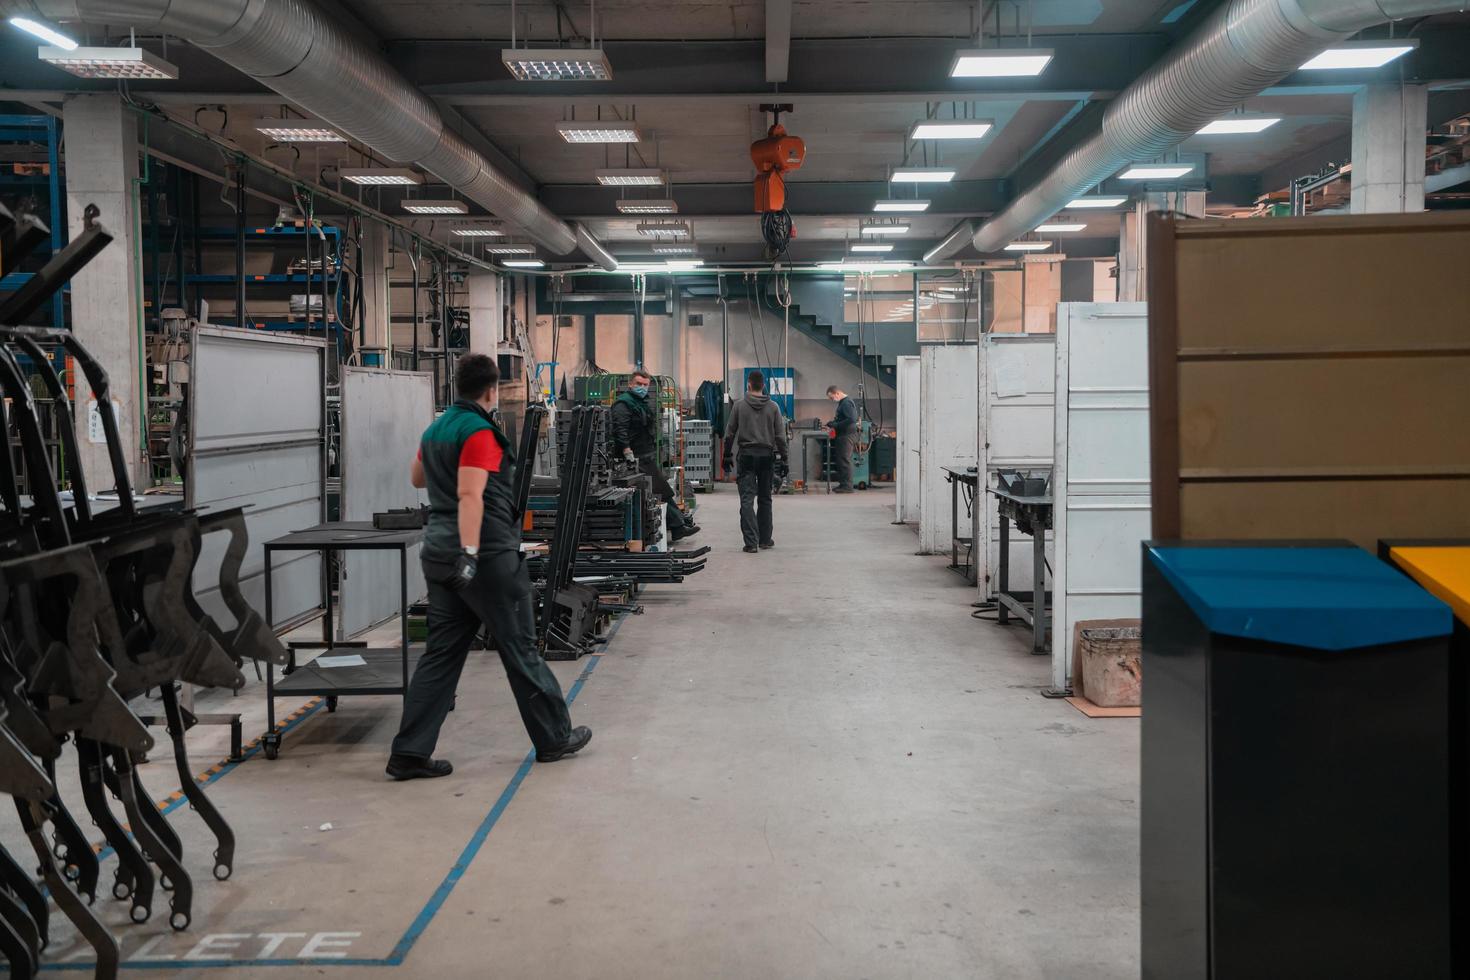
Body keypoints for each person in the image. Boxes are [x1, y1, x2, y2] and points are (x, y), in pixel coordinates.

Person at [387, 353, 591, 781]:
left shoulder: (436, 428)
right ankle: (554, 738)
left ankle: (408, 752)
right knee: (520, 648)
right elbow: (470, 495)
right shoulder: (479, 431)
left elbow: (417, 479)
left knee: (440, 656)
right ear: (491, 390)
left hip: (438, 556)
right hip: (483, 557)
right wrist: (470, 551)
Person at [611, 369, 701, 542]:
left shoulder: (641, 402)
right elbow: (619, 429)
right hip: (634, 458)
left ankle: (679, 525)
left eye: (645, 385)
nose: (642, 388)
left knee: (662, 491)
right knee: (661, 490)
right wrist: (626, 451)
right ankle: (678, 526)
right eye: (639, 384)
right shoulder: (623, 404)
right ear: (630, 384)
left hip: (645, 455)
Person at [723, 370, 787, 554]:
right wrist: (785, 459)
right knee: (765, 498)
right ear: (764, 385)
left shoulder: (739, 406)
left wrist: (726, 455)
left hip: (747, 456)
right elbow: (780, 437)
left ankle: (751, 543)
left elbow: (729, 433)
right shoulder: (773, 407)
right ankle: (765, 540)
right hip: (767, 456)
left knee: (747, 499)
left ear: (748, 385)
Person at [825, 385, 860, 493]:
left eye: (832, 397)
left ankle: (848, 487)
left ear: (837, 393)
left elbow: (852, 419)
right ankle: (843, 484)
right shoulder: (843, 403)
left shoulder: (846, 403)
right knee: (841, 460)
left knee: (844, 460)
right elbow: (844, 418)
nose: (832, 400)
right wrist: (834, 423)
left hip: (847, 435)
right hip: (843, 435)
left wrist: (836, 425)